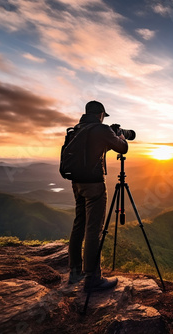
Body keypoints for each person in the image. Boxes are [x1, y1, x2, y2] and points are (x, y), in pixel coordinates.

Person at [67, 100, 128, 292]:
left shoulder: (78, 129)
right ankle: (92, 278)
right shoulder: (101, 130)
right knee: (94, 229)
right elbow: (122, 148)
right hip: (94, 185)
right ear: (101, 114)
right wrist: (119, 136)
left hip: (77, 183)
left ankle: (75, 272)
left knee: (79, 225)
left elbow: (92, 151)